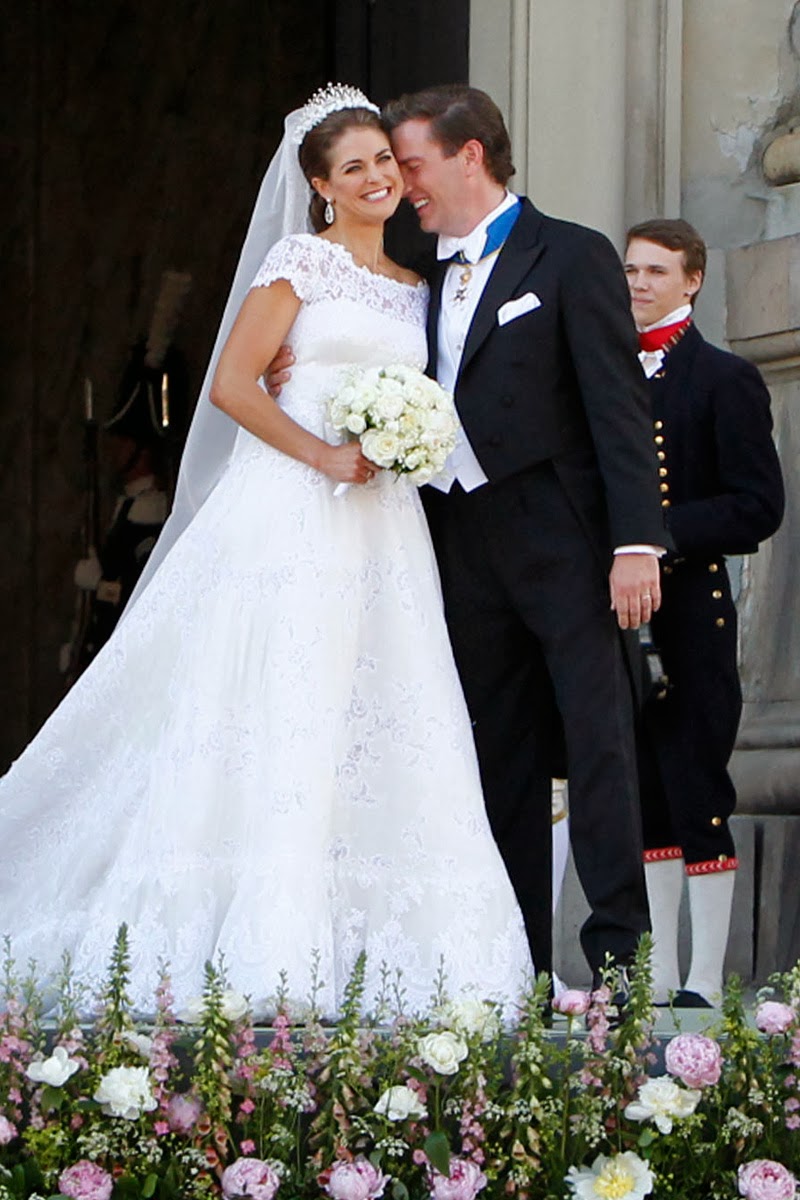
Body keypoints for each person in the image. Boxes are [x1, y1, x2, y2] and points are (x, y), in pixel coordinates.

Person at [0, 84, 532, 1017]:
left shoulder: (418, 285)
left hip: (383, 527)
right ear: (321, 186)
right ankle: (253, 933)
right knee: (275, 695)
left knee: (378, 705)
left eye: (386, 161)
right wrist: (325, 448)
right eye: (354, 167)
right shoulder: (299, 262)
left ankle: (380, 947)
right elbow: (234, 387)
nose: (377, 178)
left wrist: (403, 443)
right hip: (290, 509)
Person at [382, 86, 673, 988]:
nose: (403, 185)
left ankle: (618, 965)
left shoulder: (572, 254)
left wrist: (638, 543)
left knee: (598, 748)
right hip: (460, 543)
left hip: (567, 543)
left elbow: (617, 406)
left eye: (414, 164)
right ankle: (513, 969)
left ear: (471, 155)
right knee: (493, 751)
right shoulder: (407, 270)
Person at [624, 218, 784, 1007]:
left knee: (695, 784)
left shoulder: (723, 378)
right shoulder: (606, 372)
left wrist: (659, 537)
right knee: (645, 791)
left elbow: (759, 505)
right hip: (617, 611)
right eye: (630, 271)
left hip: (690, 607)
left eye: (656, 271)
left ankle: (704, 981)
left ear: (693, 280)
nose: (639, 284)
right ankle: (656, 974)